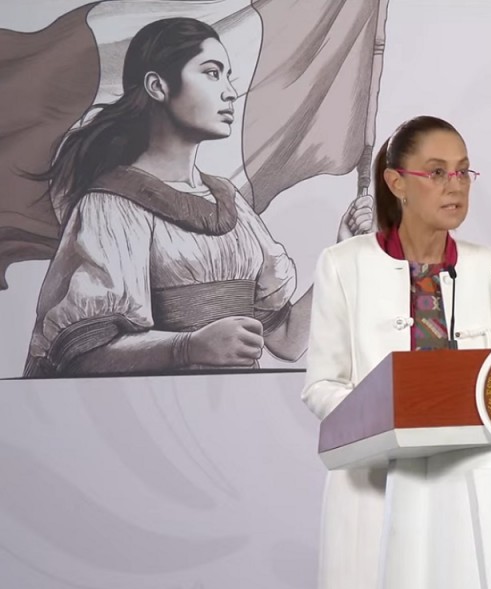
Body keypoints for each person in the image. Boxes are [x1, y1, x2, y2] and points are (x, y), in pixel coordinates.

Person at [23, 17, 371, 377]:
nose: (230, 92)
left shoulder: (231, 203)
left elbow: (287, 340)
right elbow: (82, 356)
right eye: (212, 73)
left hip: (240, 406)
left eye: (227, 75)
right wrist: (188, 347)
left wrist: (345, 255)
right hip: (159, 409)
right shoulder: (112, 205)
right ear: (157, 86)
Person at [301, 116, 491, 589]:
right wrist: (383, 417)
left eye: (463, 171)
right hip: (375, 484)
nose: (455, 185)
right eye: (437, 172)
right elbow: (322, 385)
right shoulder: (344, 264)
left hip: (469, 481)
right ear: (396, 182)